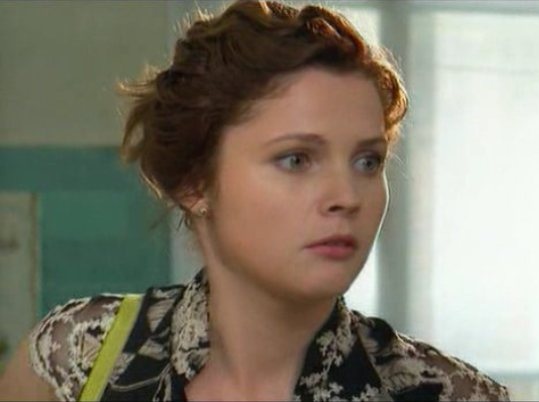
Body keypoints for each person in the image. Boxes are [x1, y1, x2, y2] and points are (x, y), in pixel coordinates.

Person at [0, 0, 510, 400]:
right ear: (195, 183)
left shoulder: (447, 394)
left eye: (367, 162)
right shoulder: (79, 359)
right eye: (296, 159)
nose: (346, 197)